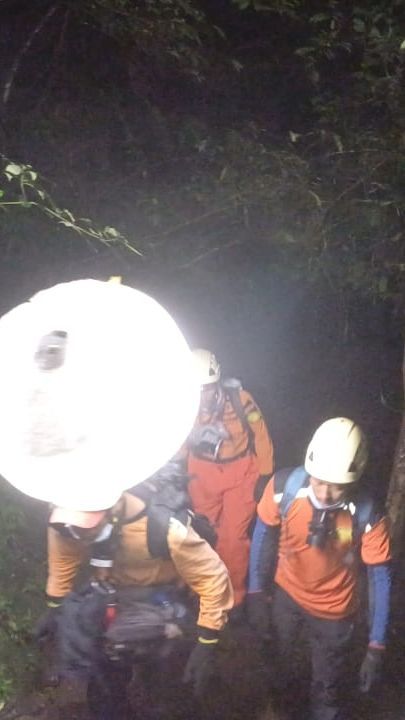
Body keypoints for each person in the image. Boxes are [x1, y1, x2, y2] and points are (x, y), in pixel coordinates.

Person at [247, 417, 392, 720]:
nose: (325, 494)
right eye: (319, 481)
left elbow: (379, 577)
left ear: (354, 480)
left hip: (334, 613)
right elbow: (262, 534)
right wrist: (256, 591)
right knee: (281, 668)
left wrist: (376, 644)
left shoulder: (366, 514)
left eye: (336, 487)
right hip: (286, 597)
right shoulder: (282, 489)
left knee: (327, 688)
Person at [186, 348, 274, 613]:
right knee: (202, 533)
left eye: (208, 388)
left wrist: (266, 474)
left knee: (233, 539)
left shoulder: (240, 400)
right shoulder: (181, 404)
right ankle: (202, 592)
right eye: (197, 389)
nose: (203, 396)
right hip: (201, 473)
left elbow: (260, 433)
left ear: (217, 383)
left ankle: (233, 598)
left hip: (241, 472)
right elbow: (175, 441)